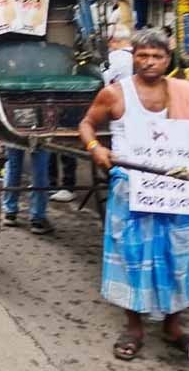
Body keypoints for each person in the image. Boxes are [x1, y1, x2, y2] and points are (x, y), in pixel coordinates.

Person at [79, 28, 189, 361]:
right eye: (143, 55)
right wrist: (96, 147)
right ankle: (134, 327)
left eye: (157, 56)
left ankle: (173, 325)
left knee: (178, 255)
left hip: (175, 190)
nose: (150, 62)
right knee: (132, 256)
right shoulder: (114, 94)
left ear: (168, 60)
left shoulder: (184, 91)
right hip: (131, 190)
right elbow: (86, 124)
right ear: (133, 57)